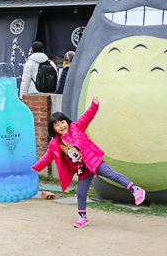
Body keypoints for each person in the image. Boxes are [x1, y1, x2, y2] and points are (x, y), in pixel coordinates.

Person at [32, 97, 145, 228]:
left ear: (67, 122)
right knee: (81, 193)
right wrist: (36, 168)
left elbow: (87, 117)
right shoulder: (55, 144)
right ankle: (82, 217)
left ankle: (136, 190)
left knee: (112, 174)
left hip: (93, 162)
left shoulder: (76, 128)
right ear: (54, 129)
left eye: (62, 122)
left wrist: (94, 106)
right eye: (56, 125)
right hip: (82, 169)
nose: (61, 126)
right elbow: (46, 157)